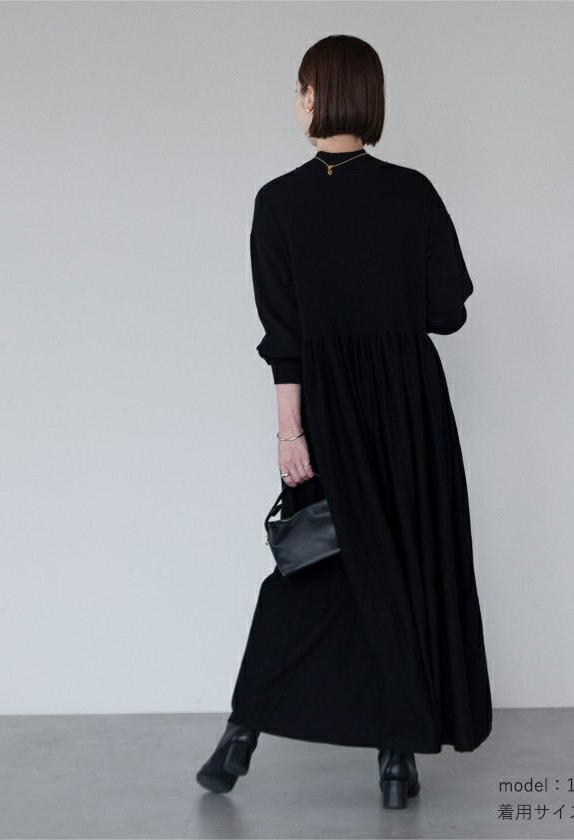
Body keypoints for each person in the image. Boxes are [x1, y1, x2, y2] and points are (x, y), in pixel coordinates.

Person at [196, 34, 492, 810]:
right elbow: (448, 312)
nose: (297, 102)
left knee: (313, 568)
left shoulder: (278, 202)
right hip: (411, 408)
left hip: (327, 407)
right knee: (403, 569)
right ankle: (396, 760)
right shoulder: (413, 193)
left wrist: (291, 435)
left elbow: (284, 340)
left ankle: (241, 735)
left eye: (301, 89)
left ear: (319, 96)